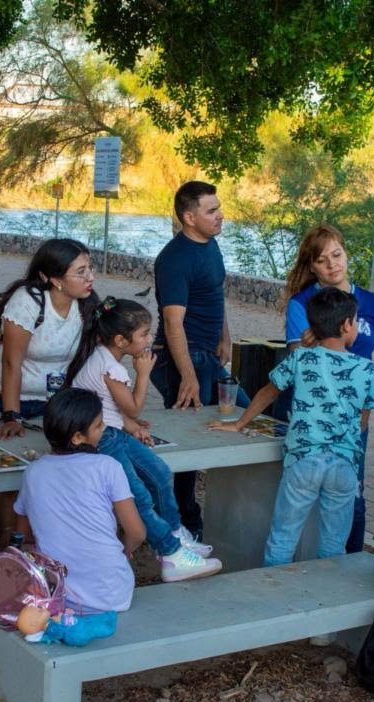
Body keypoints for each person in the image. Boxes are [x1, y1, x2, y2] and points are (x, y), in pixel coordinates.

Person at [209, 287, 374, 568]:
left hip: (304, 460)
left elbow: (267, 391)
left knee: (283, 538)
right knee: (334, 544)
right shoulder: (366, 369)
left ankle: (273, 595)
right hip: (343, 465)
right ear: (346, 325)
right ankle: (323, 600)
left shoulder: (301, 358)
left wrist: (238, 423)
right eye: (355, 320)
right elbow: (364, 418)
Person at [69, 297, 223, 581]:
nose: (150, 338)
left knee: (160, 473)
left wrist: (130, 425)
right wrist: (143, 375)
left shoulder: (106, 357)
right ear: (120, 340)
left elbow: (110, 408)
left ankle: (176, 533)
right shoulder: (110, 366)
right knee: (139, 496)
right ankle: (172, 555)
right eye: (143, 334)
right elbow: (134, 407)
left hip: (110, 430)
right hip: (100, 440)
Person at [281, 224, 374, 555]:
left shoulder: (373, 304)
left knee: (353, 494)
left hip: (354, 418)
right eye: (322, 260)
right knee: (304, 493)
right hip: (312, 416)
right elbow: (294, 364)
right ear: (312, 266)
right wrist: (310, 343)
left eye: (337, 255)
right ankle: (301, 563)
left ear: (347, 254)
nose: (332, 264)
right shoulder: (301, 304)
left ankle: (350, 561)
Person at [149, 181, 247, 540]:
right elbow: (174, 324)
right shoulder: (174, 259)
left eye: (219, 208)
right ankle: (182, 523)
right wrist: (187, 376)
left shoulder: (212, 244)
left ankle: (223, 510)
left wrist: (225, 336)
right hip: (180, 357)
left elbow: (214, 293)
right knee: (186, 439)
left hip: (207, 354)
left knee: (249, 416)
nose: (220, 215)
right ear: (189, 218)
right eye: (211, 210)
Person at [12, 388, 145, 612]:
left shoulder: (33, 472)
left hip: (56, 594)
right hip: (111, 594)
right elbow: (137, 533)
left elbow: (21, 536)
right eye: (99, 425)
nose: (104, 429)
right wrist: (125, 549)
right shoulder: (107, 467)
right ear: (77, 437)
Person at [0, 239, 96, 437]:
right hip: (2, 398)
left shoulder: (86, 304)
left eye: (90, 268)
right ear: (55, 280)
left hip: (52, 400)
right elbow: (11, 363)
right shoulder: (27, 301)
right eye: (81, 272)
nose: (91, 277)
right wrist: (12, 416)